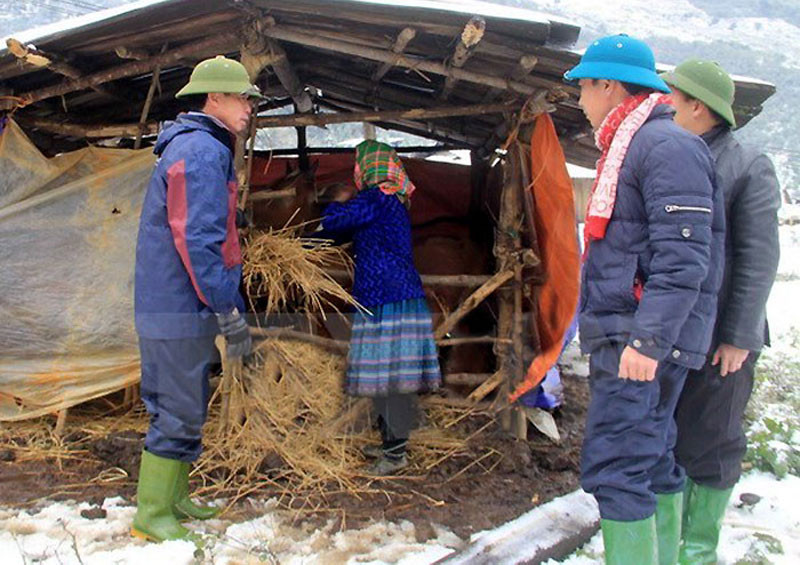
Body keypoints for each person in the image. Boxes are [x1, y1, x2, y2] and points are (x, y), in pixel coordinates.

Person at [563, 35, 725, 565]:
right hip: (637, 332)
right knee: (650, 460)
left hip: (640, 338)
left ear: (609, 86)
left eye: (584, 88)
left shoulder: (662, 147)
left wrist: (647, 341)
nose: (580, 102)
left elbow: (685, 257)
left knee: (617, 467)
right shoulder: (636, 145)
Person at [132, 55, 262, 542]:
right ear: (215, 98)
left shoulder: (197, 145)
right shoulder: (202, 151)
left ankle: (175, 498)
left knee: (188, 399)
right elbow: (197, 239)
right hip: (180, 303)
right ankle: (151, 515)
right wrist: (226, 306)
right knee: (177, 404)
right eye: (242, 98)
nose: (248, 107)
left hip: (178, 301)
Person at [662, 59, 781, 564]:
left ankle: (697, 553)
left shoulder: (746, 165)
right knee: (668, 441)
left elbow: (758, 258)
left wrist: (738, 336)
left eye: (673, 97)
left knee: (711, 443)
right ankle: (665, 549)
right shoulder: (674, 159)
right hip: (675, 332)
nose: (665, 105)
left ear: (698, 106)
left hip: (721, 340)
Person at [316, 140, 441, 476]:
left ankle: (396, 455)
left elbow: (336, 222)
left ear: (368, 167)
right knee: (386, 378)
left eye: (358, 165)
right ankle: (389, 444)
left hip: (389, 299)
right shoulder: (392, 199)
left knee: (392, 380)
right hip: (389, 297)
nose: (355, 172)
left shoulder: (377, 197)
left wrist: (336, 200)